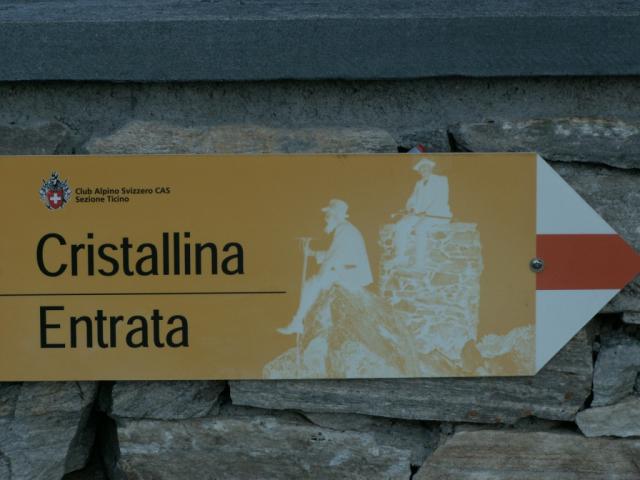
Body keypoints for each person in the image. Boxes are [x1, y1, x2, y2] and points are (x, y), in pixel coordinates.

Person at [278, 199, 373, 335]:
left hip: (351, 274)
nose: (325, 219)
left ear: (335, 216)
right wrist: (312, 253)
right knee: (315, 284)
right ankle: (301, 322)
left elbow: (332, 257)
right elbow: (338, 253)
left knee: (310, 285)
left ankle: (297, 322)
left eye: (328, 215)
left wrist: (319, 277)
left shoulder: (344, 230)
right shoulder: (346, 228)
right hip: (348, 270)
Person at [393, 158, 452, 266]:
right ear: (419, 171)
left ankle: (419, 263)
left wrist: (427, 212)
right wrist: (411, 209)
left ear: (431, 168)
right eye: (421, 168)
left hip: (437, 214)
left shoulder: (441, 180)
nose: (423, 170)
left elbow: (442, 199)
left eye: (426, 167)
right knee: (400, 225)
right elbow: (412, 199)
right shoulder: (419, 183)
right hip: (419, 215)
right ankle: (401, 257)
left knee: (420, 228)